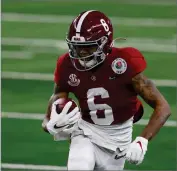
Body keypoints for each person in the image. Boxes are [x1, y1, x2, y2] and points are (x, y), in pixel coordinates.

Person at [42, 10, 171, 170]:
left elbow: (163, 107)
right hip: (86, 131)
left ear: (105, 43)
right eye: (76, 47)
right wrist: (50, 124)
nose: (81, 54)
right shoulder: (67, 64)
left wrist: (142, 141)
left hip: (118, 140)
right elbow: (56, 100)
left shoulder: (124, 63)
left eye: (87, 47)